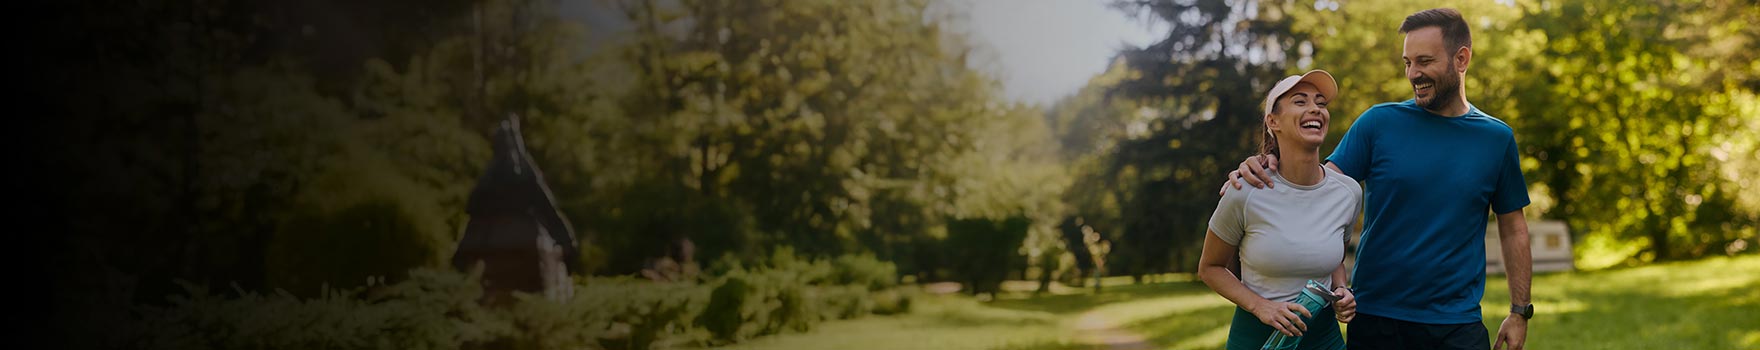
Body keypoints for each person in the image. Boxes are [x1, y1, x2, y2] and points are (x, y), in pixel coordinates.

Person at [1224, 8, 1533, 350]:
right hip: (1377, 320)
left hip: (1456, 323)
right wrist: (1267, 161)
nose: (1413, 73)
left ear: (1461, 59)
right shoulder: (1378, 124)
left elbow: (1514, 227)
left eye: (1424, 61)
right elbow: (1316, 187)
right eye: (1407, 62)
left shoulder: (1496, 139)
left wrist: (1519, 311)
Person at [1201, 69, 1356, 350]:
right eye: (1300, 101)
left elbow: (1334, 255)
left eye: (1320, 103)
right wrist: (1261, 307)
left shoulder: (1347, 193)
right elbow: (1210, 268)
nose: (1315, 109)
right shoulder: (1245, 191)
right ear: (1273, 121)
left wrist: (1342, 289)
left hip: (1324, 340)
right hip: (1257, 338)